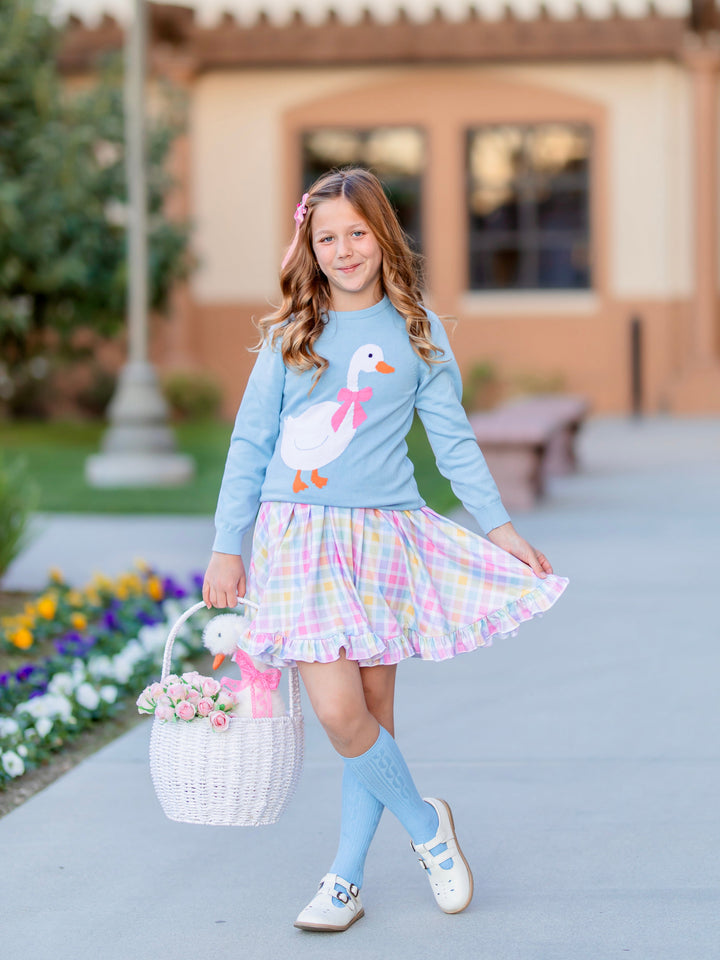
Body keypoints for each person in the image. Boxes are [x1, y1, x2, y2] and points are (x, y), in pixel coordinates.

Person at [203, 167, 568, 932]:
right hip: (297, 539)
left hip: (384, 538)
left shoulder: (416, 331)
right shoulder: (289, 334)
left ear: (384, 236)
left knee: (373, 711)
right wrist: (225, 545)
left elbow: (454, 440)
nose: (343, 250)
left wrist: (499, 529)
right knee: (340, 713)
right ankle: (429, 829)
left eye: (357, 234)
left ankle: (344, 879)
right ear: (310, 243)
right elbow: (250, 443)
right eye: (327, 237)